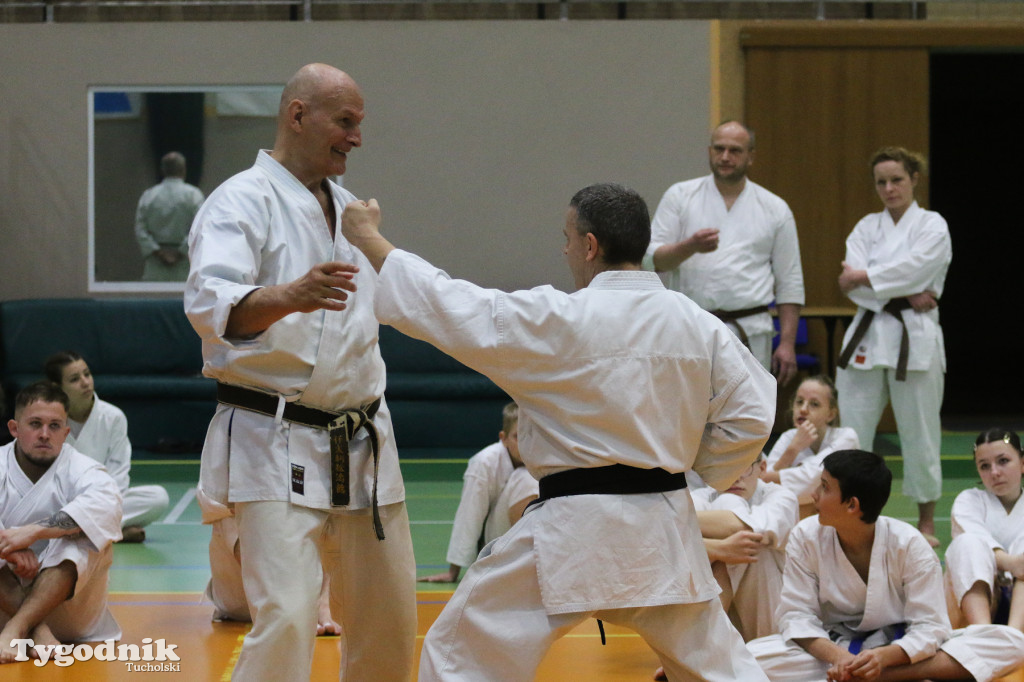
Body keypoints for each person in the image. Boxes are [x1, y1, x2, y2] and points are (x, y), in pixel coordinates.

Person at [342, 182, 777, 681]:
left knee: (463, 650)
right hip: (663, 527)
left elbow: (449, 303)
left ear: (590, 245)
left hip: (573, 529)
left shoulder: (559, 318)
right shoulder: (696, 322)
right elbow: (751, 415)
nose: (565, 250)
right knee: (718, 665)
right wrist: (698, 466)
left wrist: (370, 240)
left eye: (568, 238)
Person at [184, 63, 416, 681]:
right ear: (297, 116)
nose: (356, 137)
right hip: (273, 434)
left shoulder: (351, 213)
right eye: (345, 121)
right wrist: (291, 294)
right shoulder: (239, 202)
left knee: (388, 618)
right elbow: (211, 308)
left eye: (359, 124)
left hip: (364, 440)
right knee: (287, 615)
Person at [747, 449, 1024, 682]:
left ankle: (882, 677)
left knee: (1011, 643)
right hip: (834, 648)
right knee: (752, 657)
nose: (814, 495)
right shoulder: (805, 536)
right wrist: (842, 658)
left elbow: (930, 627)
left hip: (898, 648)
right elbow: (796, 617)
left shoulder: (909, 545)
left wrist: (882, 659)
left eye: (824, 487)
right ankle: (869, 674)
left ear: (852, 505)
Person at [835, 147, 952, 546]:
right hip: (868, 335)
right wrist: (901, 290)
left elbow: (918, 268)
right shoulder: (866, 227)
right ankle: (857, 516)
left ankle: (926, 522)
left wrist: (867, 279)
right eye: (881, 182)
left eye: (896, 180)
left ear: (914, 179)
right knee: (852, 432)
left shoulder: (933, 226)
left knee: (920, 431)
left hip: (914, 340)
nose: (889, 188)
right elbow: (851, 285)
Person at [644, 120, 805, 385]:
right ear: (709, 151)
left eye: (735, 150)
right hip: (691, 328)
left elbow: (790, 282)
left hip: (750, 329)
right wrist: (689, 246)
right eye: (719, 149)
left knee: (747, 418)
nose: (725, 157)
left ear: (751, 156)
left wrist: (787, 343)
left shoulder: (775, 208)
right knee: (689, 417)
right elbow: (651, 260)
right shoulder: (680, 196)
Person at [0, 382, 122, 663]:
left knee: (83, 536)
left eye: (55, 426)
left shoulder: (84, 469)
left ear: (66, 433)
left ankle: (20, 625)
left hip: (70, 617)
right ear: (14, 428)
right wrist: (8, 546)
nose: (45, 434)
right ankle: (34, 628)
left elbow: (105, 507)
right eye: (35, 424)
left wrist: (32, 532)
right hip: (3, 608)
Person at [653, 452, 799, 679]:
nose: (735, 476)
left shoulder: (781, 496)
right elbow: (667, 542)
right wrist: (719, 550)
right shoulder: (699, 497)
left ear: (761, 467)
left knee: (751, 550)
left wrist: (675, 519)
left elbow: (746, 532)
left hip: (768, 619)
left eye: (744, 466)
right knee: (703, 555)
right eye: (727, 465)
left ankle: (702, 657)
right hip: (727, 610)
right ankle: (709, 655)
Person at [43, 351, 169, 543]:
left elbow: (118, 477)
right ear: (57, 387)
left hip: (102, 502)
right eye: (75, 379)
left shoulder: (113, 417)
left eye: (87, 374)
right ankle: (110, 532)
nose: (85, 382)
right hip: (64, 503)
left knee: (158, 498)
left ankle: (76, 532)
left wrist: (93, 503)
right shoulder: (49, 421)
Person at [195, 487, 342, 636]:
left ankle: (322, 603)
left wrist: (323, 599)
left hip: (315, 585)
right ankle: (288, 604)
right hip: (243, 594)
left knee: (331, 500)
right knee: (232, 505)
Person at [419, 402, 538, 584]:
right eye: (517, 437)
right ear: (503, 438)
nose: (524, 444)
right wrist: (454, 571)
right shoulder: (484, 462)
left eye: (529, 436)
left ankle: (537, 559)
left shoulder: (542, 455)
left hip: (534, 540)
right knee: (526, 478)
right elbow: (470, 515)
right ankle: (521, 560)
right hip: (496, 543)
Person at [945, 428, 1024, 633]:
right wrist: (1013, 564)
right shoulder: (969, 500)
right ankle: (983, 634)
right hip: (972, 611)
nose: (994, 472)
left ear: (1023, 463)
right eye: (985, 466)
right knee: (967, 543)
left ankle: (1014, 635)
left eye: (1003, 461)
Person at [762, 375, 859, 511]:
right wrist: (792, 450)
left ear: (831, 414)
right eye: (799, 401)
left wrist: (769, 478)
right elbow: (763, 488)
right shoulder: (788, 438)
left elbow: (814, 477)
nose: (803, 409)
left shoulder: (847, 437)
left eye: (814, 404)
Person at [134, 151, 205, 282]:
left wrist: (158, 252)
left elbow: (140, 229)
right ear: (184, 170)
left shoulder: (149, 196)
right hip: (184, 265)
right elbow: (200, 228)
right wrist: (180, 252)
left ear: (162, 170)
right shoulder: (194, 196)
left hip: (155, 266)